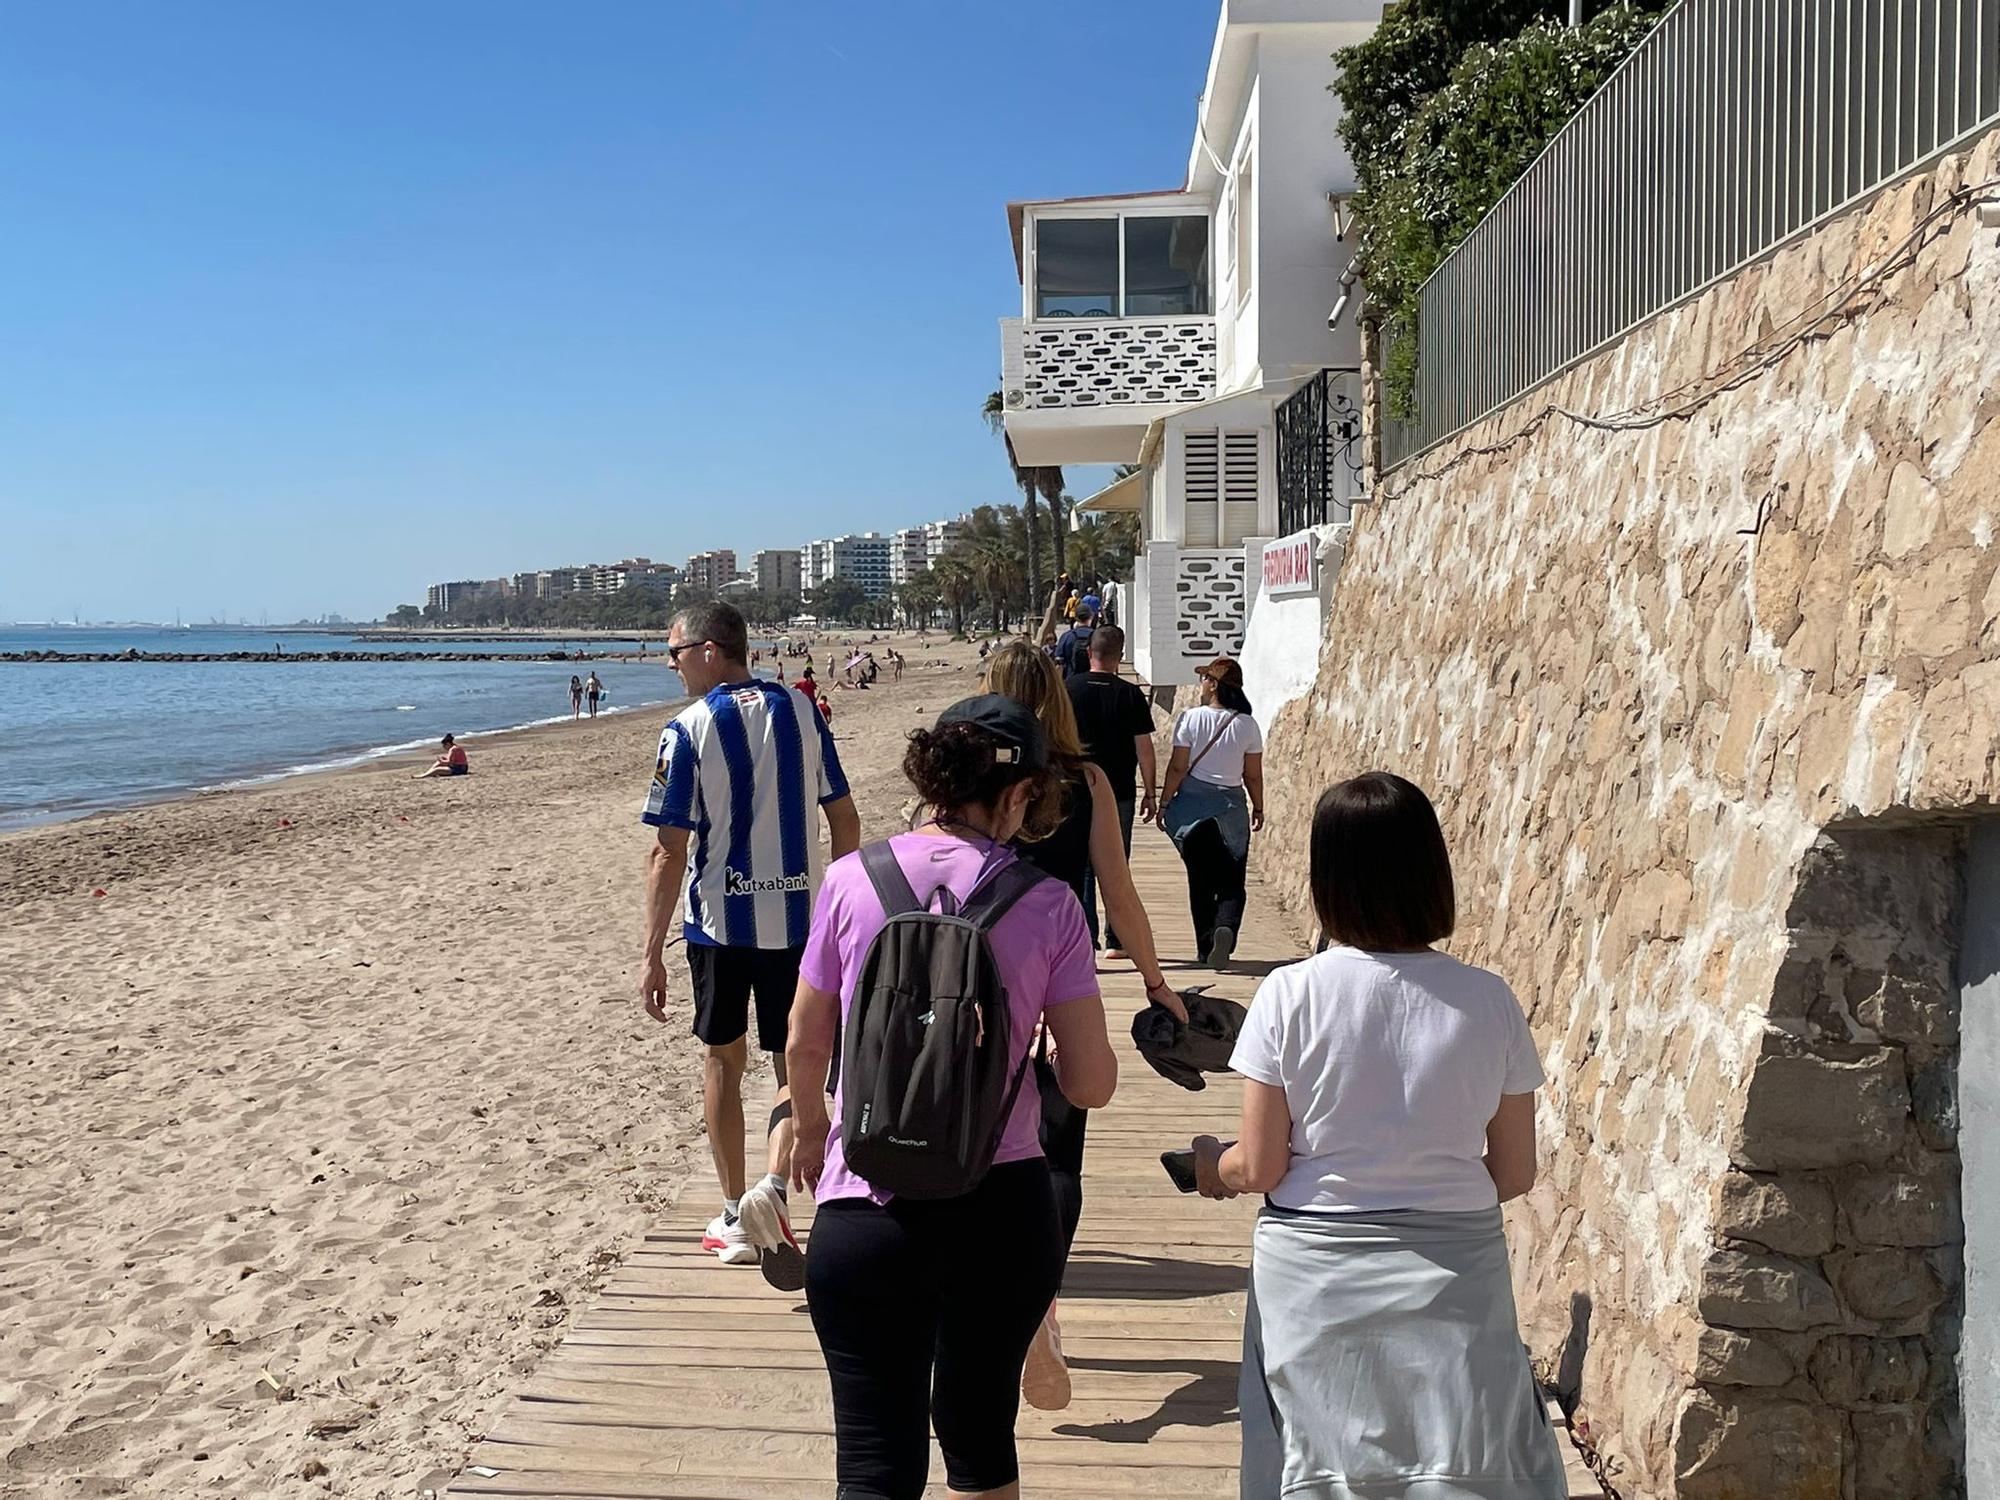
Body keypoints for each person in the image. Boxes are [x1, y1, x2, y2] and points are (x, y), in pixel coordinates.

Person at [1191, 774, 1565, 1498]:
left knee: (1315, 1459)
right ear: (1431, 872)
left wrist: (1216, 1165)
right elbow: (1514, 1172)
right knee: (1462, 1459)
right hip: (1457, 1263)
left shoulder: (1290, 994)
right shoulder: (1489, 1000)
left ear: (1327, 878)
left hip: (1315, 1264)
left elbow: (1263, 1165)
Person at [786, 696, 1119, 1500]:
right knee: (978, 1442)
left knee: (872, 1463)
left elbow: (804, 1041)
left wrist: (807, 1127)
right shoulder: (1049, 905)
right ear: (1015, 795)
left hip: (865, 1205)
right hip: (999, 1213)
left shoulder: (848, 880)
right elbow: (1091, 1083)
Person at [980, 640, 1182, 1411]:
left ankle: (980, 1303)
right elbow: (1120, 899)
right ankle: (1040, 1302)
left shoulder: (971, 780)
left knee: (973, 1146)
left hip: (967, 993)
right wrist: (1159, 984)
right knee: (1057, 1156)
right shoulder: (1084, 781)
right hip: (1058, 991)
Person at [639, 601, 862, 1286]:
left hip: (719, 927)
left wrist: (651, 951)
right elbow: (845, 822)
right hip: (798, 924)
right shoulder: (802, 710)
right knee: (792, 1060)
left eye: (674, 654)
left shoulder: (687, 730)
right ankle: (774, 1185)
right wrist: (834, 909)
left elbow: (668, 851)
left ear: (709, 650)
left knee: (722, 1063)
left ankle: (738, 1211)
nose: (671, 667)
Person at [1158, 657, 1263, 970]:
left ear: (1214, 684)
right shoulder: (1247, 725)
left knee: (1200, 883)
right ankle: (1226, 929)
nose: (1200, 684)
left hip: (1193, 812)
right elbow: (1252, 775)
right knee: (1232, 882)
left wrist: (1164, 802)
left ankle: (1206, 949)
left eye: (1204, 678)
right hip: (1231, 811)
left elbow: (1178, 767)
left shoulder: (1190, 719)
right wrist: (1259, 805)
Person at [1064, 625, 1157, 959]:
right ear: (1120, 656)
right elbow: (1144, 748)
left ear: (1090, 653)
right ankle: (1116, 939)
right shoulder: (1130, 695)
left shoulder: (1068, 690)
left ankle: (1085, 939)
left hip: (1075, 790)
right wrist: (1150, 792)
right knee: (1118, 863)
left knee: (1081, 863)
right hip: (1119, 792)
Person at [1051, 597, 1098, 679]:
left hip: (1071, 681)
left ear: (1076, 618)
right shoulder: (1097, 636)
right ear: (1091, 617)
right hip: (1094, 682)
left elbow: (1059, 664)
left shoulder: (1067, 636)